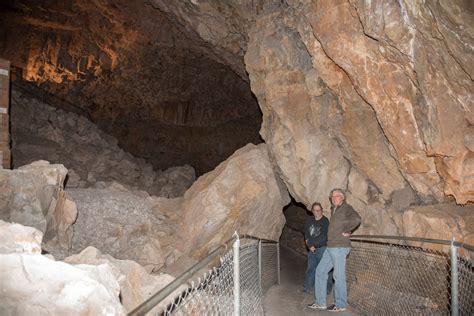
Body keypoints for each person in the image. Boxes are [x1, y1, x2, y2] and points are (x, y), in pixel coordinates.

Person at [307, 188, 361, 312]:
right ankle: (320, 302)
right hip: (331, 247)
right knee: (320, 271)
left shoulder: (346, 208)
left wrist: (347, 230)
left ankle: (341, 304)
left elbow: (357, 219)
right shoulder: (335, 210)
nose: (334, 198)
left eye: (337, 196)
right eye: (332, 196)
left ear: (342, 197)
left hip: (340, 247)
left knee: (338, 275)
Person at [302, 202, 330, 293]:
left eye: (318, 210)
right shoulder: (309, 220)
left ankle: (326, 289)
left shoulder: (325, 221)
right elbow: (306, 233)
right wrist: (309, 245)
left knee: (324, 269)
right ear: (312, 211)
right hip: (311, 249)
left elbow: (324, 236)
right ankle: (307, 287)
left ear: (321, 210)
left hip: (322, 248)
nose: (317, 212)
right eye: (315, 210)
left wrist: (313, 245)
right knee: (311, 267)